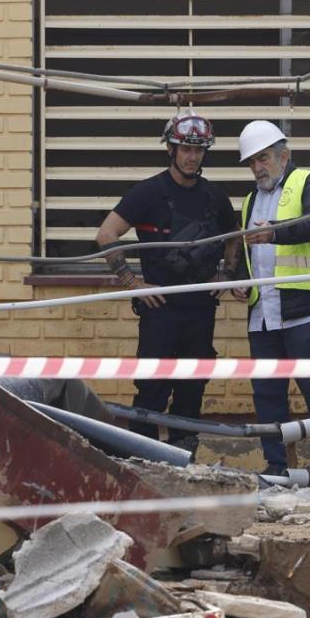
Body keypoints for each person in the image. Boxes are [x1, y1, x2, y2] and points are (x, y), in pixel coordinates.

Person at [95, 112, 239, 452]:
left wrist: (227, 275)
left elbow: (235, 238)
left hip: (200, 310)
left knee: (192, 389)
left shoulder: (215, 198)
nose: (192, 157)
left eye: (198, 150)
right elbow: (106, 234)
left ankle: (183, 461)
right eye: (185, 149)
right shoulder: (148, 193)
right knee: (151, 389)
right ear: (171, 150)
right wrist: (132, 282)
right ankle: (140, 461)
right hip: (159, 313)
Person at [231, 120, 310, 474]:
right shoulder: (251, 200)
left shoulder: (308, 182)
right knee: (267, 396)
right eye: (251, 162)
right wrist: (240, 280)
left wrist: (275, 234)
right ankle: (277, 467)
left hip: (305, 309)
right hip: (263, 314)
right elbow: (250, 253)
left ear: (284, 155)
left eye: (263, 158)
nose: (257, 168)